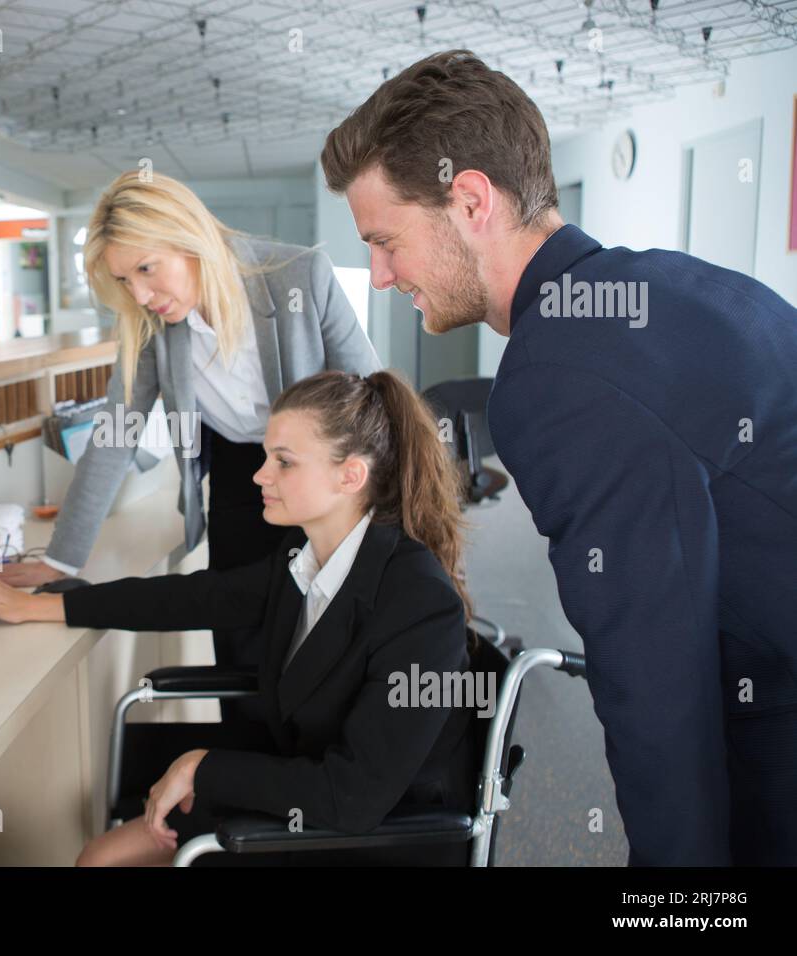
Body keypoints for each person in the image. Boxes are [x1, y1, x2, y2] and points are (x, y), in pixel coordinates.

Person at [320, 49, 797, 865]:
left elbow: (656, 689)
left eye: (385, 240)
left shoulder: (552, 379)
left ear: (470, 200)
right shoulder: (684, 285)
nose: (381, 273)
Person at [0, 369, 477, 866]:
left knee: (99, 859)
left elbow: (355, 798)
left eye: (284, 462)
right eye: (266, 456)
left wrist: (204, 767)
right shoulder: (305, 556)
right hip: (302, 781)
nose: (259, 474)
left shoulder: (417, 604)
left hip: (371, 835)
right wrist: (43, 605)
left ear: (350, 476)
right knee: (99, 853)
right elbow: (192, 598)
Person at [0, 171, 380, 722]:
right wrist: (59, 559)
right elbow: (115, 436)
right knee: (239, 632)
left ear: (190, 238)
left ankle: (314, 772)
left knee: (321, 633)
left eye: (147, 268)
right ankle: (245, 765)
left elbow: (372, 399)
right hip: (242, 471)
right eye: (124, 278)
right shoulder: (151, 325)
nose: (140, 294)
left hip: (319, 471)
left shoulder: (298, 275)